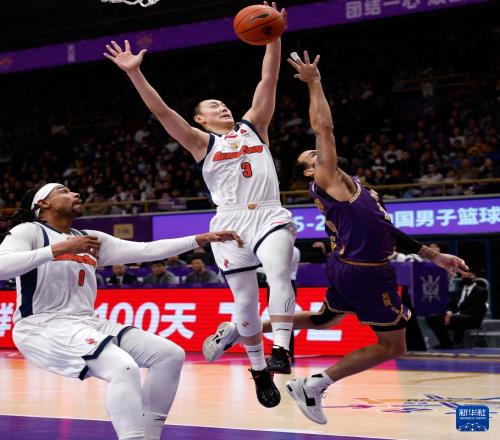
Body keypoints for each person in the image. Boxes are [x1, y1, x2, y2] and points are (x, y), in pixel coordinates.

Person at [202, 52, 469, 424]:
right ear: (311, 171)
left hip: (349, 267)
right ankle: (314, 385)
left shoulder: (354, 186)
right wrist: (314, 82)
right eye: (313, 156)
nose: (320, 154)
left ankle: (240, 329)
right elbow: (323, 128)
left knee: (324, 319)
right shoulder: (327, 178)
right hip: (366, 271)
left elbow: (385, 230)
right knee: (394, 345)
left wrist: (432, 255)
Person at [105, 3, 296, 408]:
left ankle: (282, 348)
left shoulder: (255, 126)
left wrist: (274, 36)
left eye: (223, 103)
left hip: (268, 212)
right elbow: (161, 111)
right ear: (201, 120)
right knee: (245, 302)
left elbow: (269, 78)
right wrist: (134, 72)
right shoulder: (200, 142)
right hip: (228, 223)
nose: (222, 107)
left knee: (280, 269)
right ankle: (259, 370)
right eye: (213, 107)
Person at [0, 183, 243, 440]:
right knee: (123, 368)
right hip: (41, 325)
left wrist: (201, 238)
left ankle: (150, 436)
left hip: (85, 322)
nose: (76, 193)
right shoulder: (29, 231)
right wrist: (60, 249)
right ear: (43, 203)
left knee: (169, 355)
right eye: (63, 191)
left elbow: (147, 250)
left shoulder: (90, 238)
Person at [426, 270, 488, 348]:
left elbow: (478, 307)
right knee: (432, 318)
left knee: (456, 318)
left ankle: (458, 342)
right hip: (454, 316)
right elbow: (450, 304)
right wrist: (449, 312)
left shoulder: (481, 291)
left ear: (475, 278)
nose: (466, 277)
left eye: (469, 275)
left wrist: (455, 314)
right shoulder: (458, 290)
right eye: (464, 276)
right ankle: (446, 343)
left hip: (472, 317)